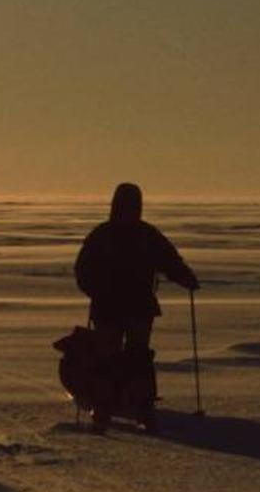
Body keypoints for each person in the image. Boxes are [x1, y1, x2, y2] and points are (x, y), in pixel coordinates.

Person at [73, 182, 198, 433]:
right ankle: (113, 407)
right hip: (117, 305)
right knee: (120, 356)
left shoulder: (125, 234)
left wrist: (185, 277)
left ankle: (132, 407)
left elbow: (169, 260)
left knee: (132, 356)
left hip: (131, 305)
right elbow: (83, 270)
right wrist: (94, 288)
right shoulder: (126, 234)